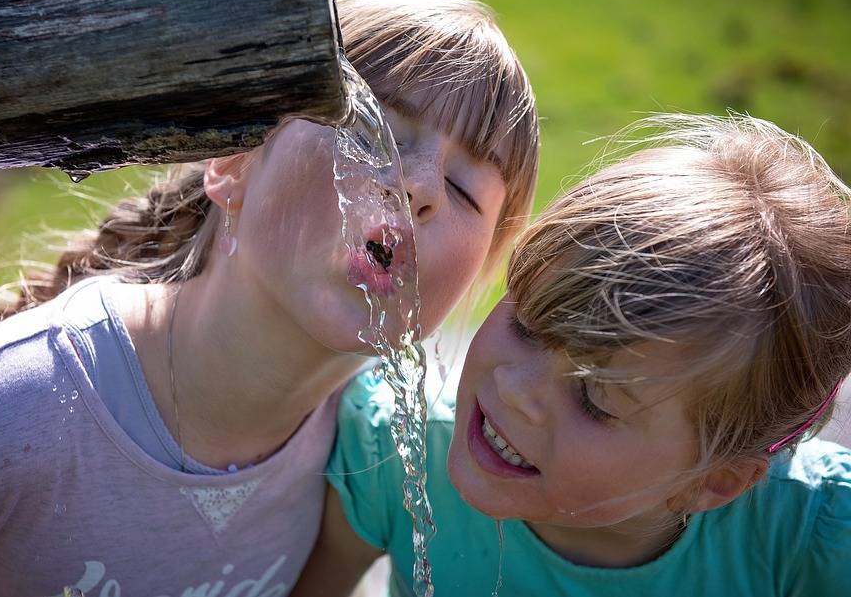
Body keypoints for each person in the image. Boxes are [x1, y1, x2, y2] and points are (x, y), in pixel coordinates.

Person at [0, 0, 539, 597]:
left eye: (463, 190)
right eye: (374, 133)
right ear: (231, 163)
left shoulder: (372, 454)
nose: (418, 186)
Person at [295, 113, 851, 596]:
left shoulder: (810, 540)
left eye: (593, 398)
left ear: (712, 482)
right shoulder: (395, 453)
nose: (515, 387)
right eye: (527, 324)